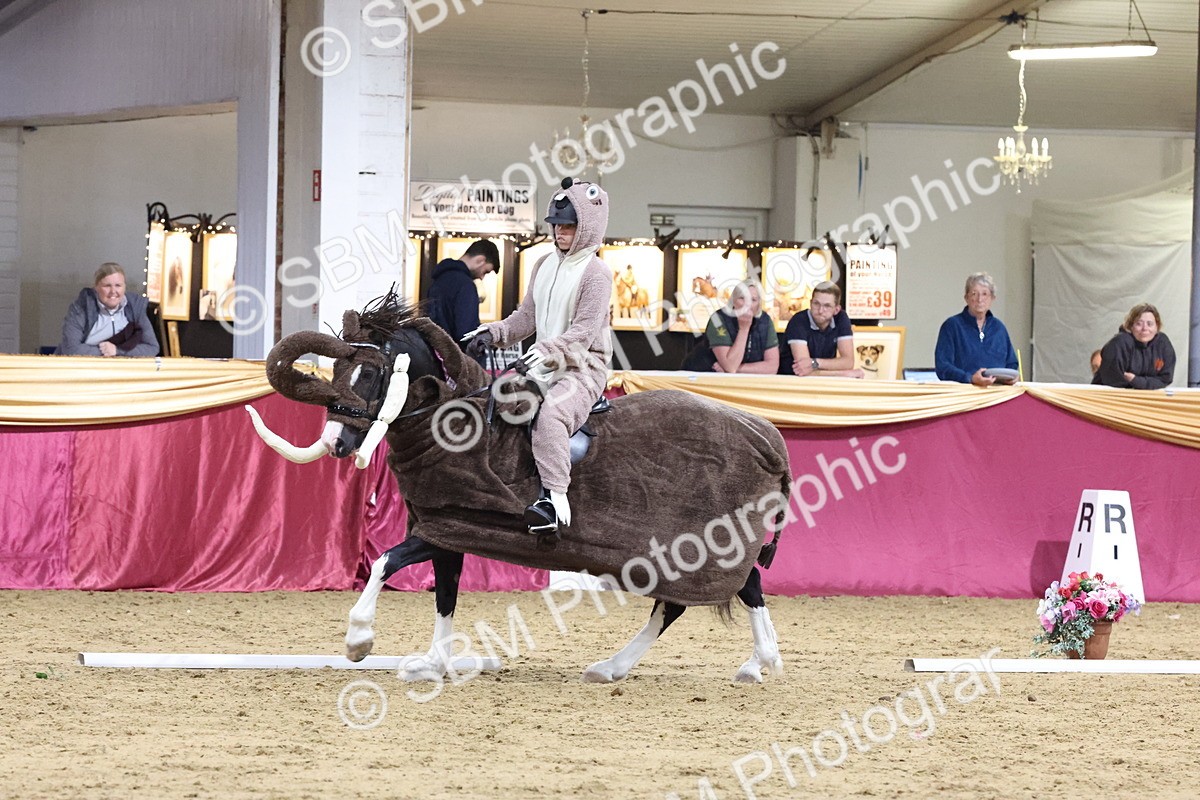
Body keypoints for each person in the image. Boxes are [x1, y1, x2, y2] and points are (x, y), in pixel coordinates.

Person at [462, 178, 612, 536]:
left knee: (550, 416)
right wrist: (492, 333)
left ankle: (553, 502)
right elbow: (525, 317)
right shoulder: (543, 263)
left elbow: (583, 334)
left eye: (569, 225)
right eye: (556, 224)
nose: (560, 231)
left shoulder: (597, 273)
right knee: (494, 403)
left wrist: (543, 351)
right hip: (542, 365)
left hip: (581, 369)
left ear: (587, 227)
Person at [59, 263, 159, 357]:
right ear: (96, 288)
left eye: (118, 285)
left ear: (124, 287)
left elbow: (152, 348)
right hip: (81, 368)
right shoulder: (81, 308)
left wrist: (117, 351)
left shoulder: (135, 308)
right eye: (107, 286)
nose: (113, 291)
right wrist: (103, 352)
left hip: (118, 370)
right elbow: (70, 349)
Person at [934, 272, 1018, 386]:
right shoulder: (952, 326)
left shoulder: (999, 328)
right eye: (974, 294)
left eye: (984, 294)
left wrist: (1012, 377)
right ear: (966, 297)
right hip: (963, 396)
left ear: (992, 298)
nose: (979, 299)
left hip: (997, 394)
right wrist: (970, 378)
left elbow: (1012, 364)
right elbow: (943, 366)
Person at [682, 281, 779, 374]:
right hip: (701, 374)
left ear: (759, 304)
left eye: (753, 300)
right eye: (742, 298)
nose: (747, 304)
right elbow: (731, 366)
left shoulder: (765, 320)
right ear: (733, 301)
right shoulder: (717, 319)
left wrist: (738, 369)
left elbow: (772, 368)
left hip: (740, 381)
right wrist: (744, 329)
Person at [779, 280, 864, 378]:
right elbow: (803, 370)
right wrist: (843, 374)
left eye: (827, 306)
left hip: (823, 380)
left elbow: (848, 362)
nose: (820, 310)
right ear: (810, 303)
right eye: (816, 304)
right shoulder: (798, 321)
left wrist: (815, 363)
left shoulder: (841, 318)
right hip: (791, 381)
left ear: (836, 309)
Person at [427, 239, 500, 345]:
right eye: (485, 271)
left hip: (432, 353)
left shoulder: (437, 280)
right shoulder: (466, 285)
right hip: (455, 357)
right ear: (480, 260)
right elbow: (466, 333)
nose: (481, 277)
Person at [1092, 303, 1175, 389]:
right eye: (1139, 324)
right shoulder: (1120, 343)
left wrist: (1136, 380)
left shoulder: (1163, 343)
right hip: (1107, 397)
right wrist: (1148, 383)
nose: (1144, 329)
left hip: (1142, 397)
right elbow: (1114, 381)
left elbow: (1165, 379)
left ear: (1157, 327)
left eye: (1150, 324)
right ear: (1131, 326)